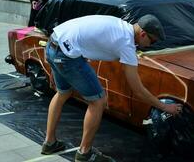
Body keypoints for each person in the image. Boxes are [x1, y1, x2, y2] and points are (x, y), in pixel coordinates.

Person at [41, 15, 183, 162]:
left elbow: (96, 38)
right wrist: (165, 107)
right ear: (142, 34)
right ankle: (85, 154)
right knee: (98, 101)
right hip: (67, 56)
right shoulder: (126, 43)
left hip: (53, 43)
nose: (150, 45)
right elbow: (138, 90)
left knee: (63, 93)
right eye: (152, 41)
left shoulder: (120, 25)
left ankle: (49, 143)